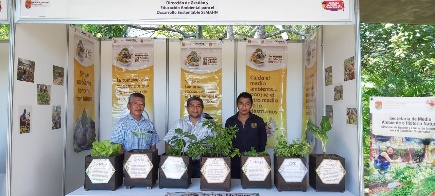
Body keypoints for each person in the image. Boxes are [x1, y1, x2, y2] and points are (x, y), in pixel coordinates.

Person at [164, 96, 213, 178]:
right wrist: (172, 159)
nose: (195, 109)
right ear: (187, 108)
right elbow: (168, 141)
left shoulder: (209, 124)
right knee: (181, 188)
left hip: (202, 163)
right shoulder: (179, 123)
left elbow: (214, 144)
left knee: (201, 188)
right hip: (182, 163)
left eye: (198, 106)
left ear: (202, 108)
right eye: (192, 106)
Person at [225, 92, 267, 179]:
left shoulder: (258, 121)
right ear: (237, 105)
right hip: (234, 161)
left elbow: (263, 140)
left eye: (247, 104)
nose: (244, 107)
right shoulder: (230, 121)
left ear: (251, 105)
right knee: (235, 187)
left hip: (254, 162)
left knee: (252, 186)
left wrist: (258, 157)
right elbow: (227, 142)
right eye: (241, 103)